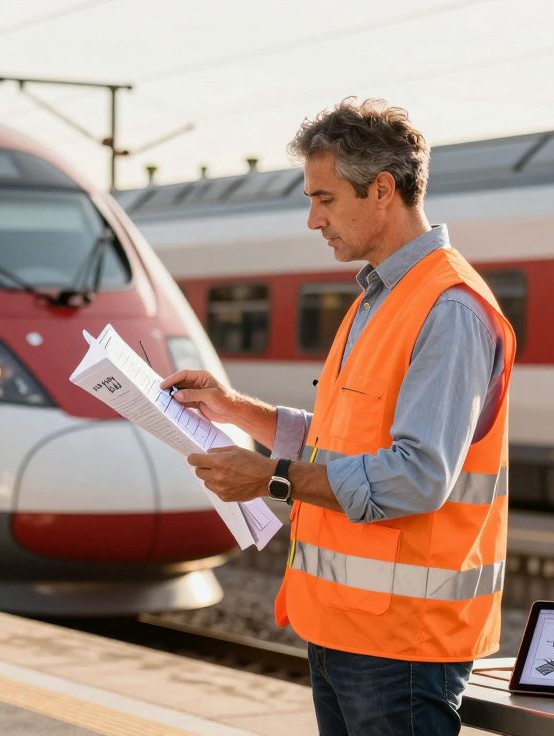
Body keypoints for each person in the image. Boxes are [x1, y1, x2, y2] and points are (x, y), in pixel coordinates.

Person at [160, 99, 516, 736]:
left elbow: (417, 476)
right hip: (346, 628)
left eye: (324, 199)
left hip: (403, 644)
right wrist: (235, 409)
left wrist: (270, 478)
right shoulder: (381, 297)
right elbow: (339, 438)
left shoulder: (448, 309)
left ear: (381, 190)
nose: (312, 219)